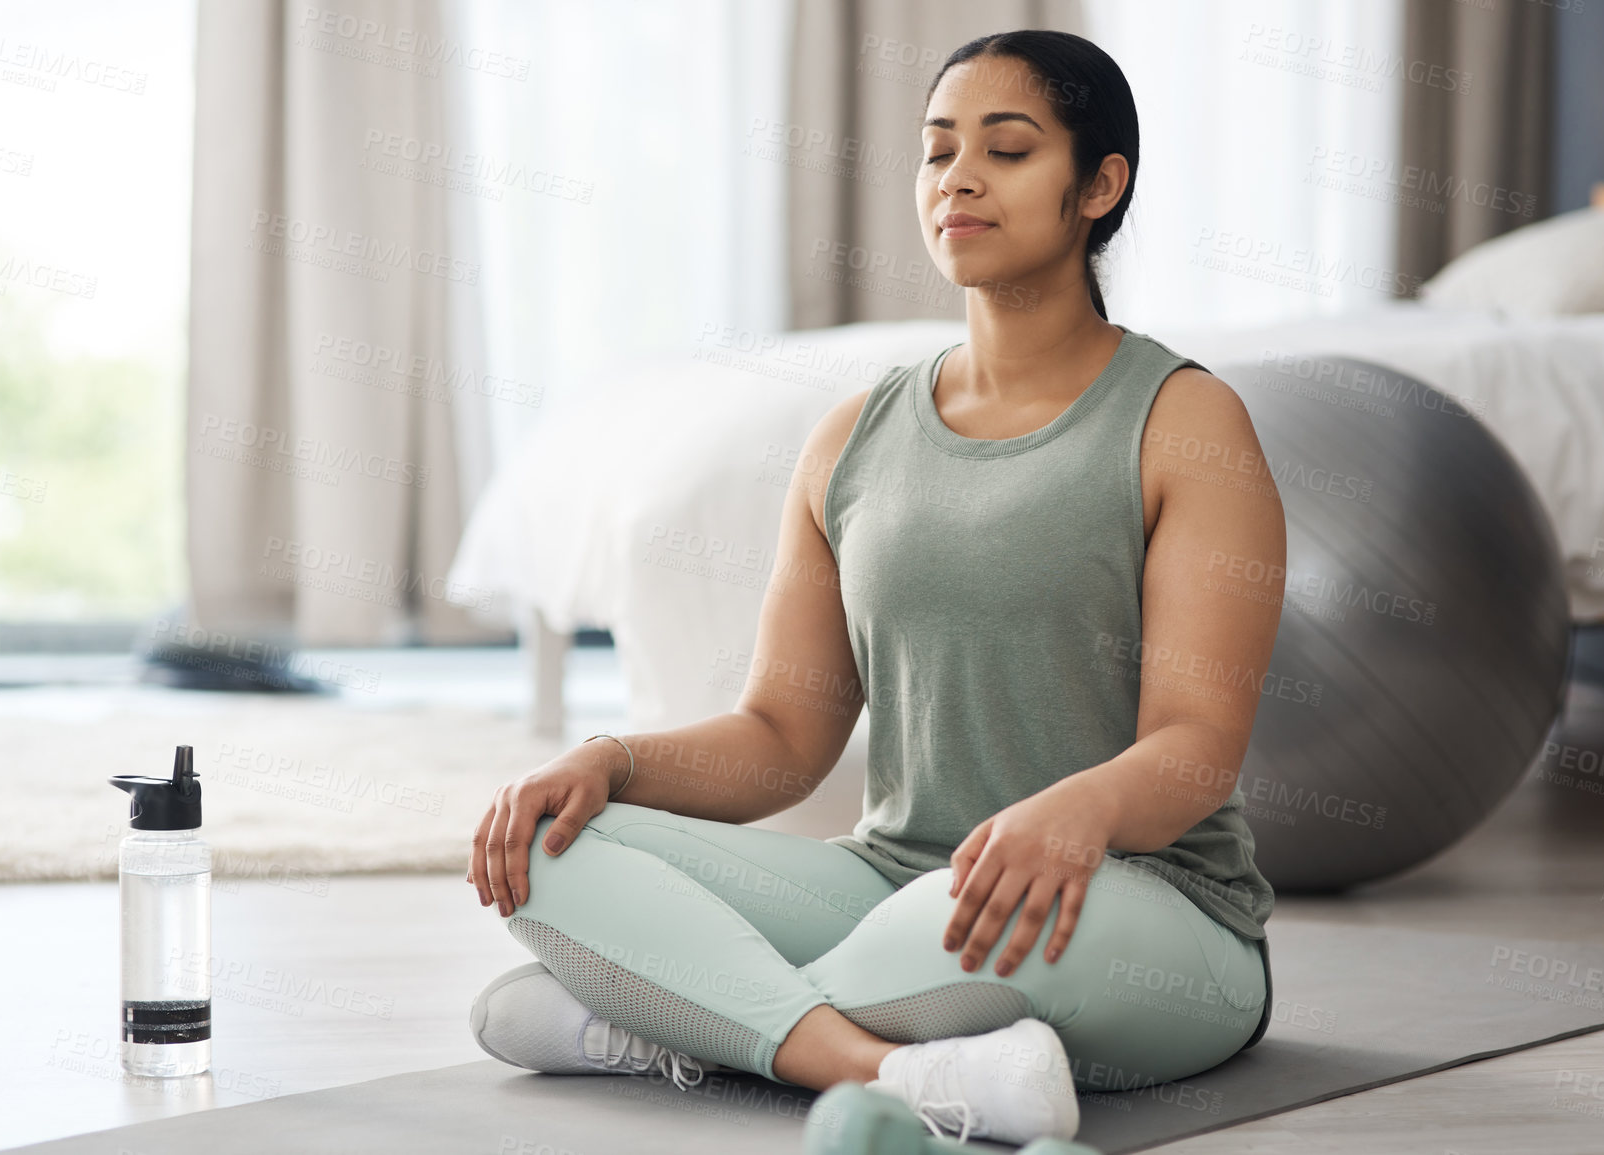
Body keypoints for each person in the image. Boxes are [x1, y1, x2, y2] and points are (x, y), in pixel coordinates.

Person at [466, 28, 1281, 1148]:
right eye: (939, 150)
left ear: (1100, 185)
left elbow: (1197, 747)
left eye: (1007, 149)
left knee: (919, 933)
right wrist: (610, 763)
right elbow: (781, 736)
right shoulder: (852, 436)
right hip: (891, 881)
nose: (958, 177)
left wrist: (1078, 808)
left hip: (1140, 906)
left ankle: (662, 1017)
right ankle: (884, 1067)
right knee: (552, 860)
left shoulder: (1188, 425)